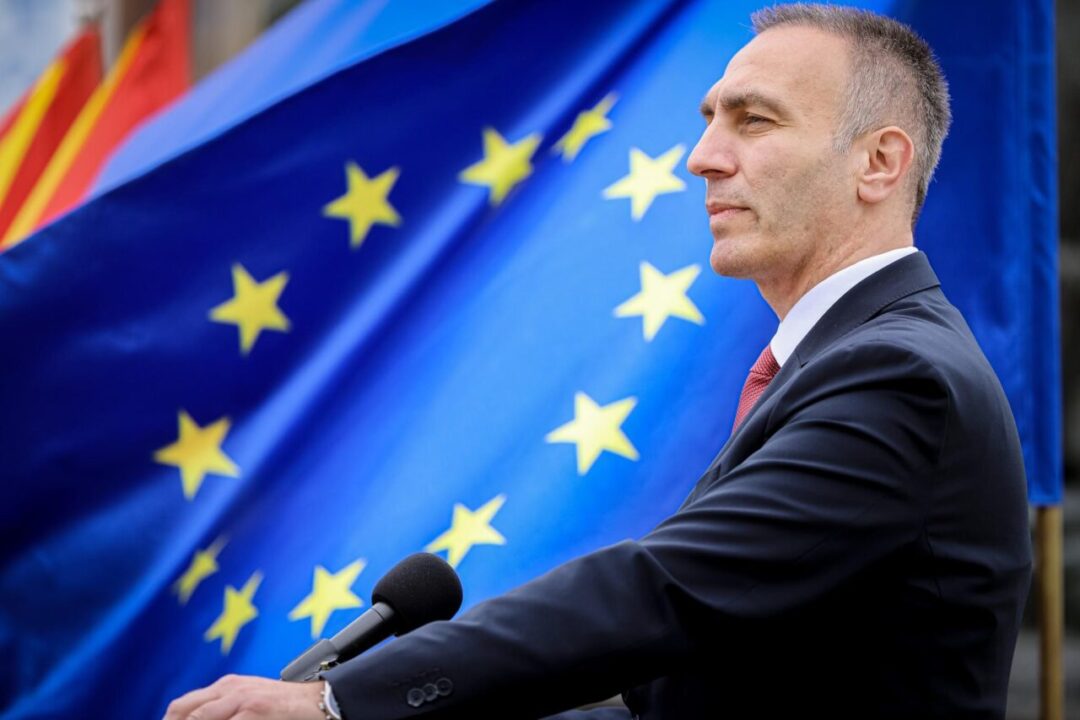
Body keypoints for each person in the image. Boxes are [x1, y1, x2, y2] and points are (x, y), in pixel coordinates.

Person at [163, 4, 1031, 719]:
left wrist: (339, 703)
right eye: (709, 120)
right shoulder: (847, 360)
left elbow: (661, 595)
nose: (703, 157)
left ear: (879, 162)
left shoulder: (901, 378)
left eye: (754, 120)